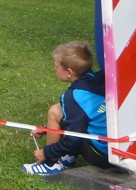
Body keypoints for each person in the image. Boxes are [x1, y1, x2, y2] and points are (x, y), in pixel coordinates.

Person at [23, 42, 112, 176]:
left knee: (55, 111)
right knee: (68, 115)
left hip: (101, 155)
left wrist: (46, 153)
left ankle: (50, 164)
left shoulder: (72, 97)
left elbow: (74, 138)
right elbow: (83, 118)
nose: (55, 69)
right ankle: (68, 157)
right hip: (114, 148)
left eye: (56, 66)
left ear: (69, 72)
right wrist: (47, 128)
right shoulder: (100, 79)